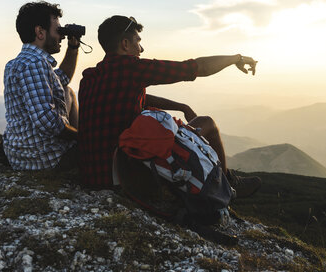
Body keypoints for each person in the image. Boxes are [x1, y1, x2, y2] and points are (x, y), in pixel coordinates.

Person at [78, 15, 261, 198]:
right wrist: (236, 58)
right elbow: (199, 67)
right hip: (127, 177)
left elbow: (130, 96)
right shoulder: (132, 68)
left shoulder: (89, 78)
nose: (141, 49)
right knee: (208, 123)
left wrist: (180, 106)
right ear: (125, 44)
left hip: (93, 176)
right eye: (137, 42)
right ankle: (228, 186)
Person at [3, 1, 80, 170]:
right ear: (40, 32)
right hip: (43, 159)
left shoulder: (18, 63)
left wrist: (73, 47)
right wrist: (81, 137)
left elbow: (62, 79)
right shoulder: (34, 64)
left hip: (22, 155)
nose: (62, 36)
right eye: (58, 30)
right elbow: (47, 121)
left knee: (67, 91)